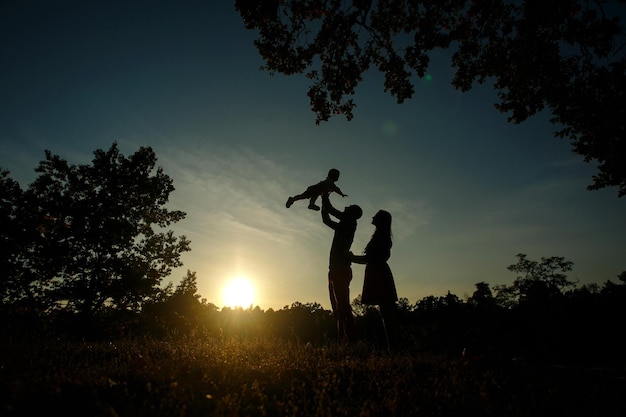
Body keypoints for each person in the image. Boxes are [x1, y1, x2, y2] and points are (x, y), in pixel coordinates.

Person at [350, 210, 399, 350]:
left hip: (379, 274)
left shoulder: (381, 239)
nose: (372, 217)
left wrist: (352, 258)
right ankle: (392, 347)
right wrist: (353, 258)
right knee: (386, 312)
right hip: (377, 273)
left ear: (380, 220)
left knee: (386, 312)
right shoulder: (381, 237)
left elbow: (369, 259)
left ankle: (393, 348)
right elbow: (369, 259)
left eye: (375, 216)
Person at [321, 192, 362, 343]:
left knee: (343, 306)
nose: (346, 207)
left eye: (349, 207)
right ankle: (343, 340)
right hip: (335, 269)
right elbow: (326, 219)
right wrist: (323, 202)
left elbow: (331, 210)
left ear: (352, 214)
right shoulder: (344, 225)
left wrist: (324, 195)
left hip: (340, 270)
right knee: (338, 307)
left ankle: (351, 340)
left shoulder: (349, 222)